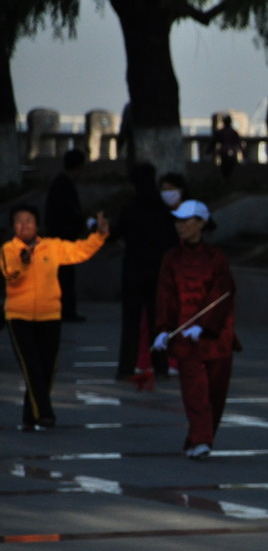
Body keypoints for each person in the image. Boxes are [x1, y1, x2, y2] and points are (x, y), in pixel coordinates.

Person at [2, 204, 109, 430]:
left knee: (47, 366)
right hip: (19, 316)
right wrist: (24, 262)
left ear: (37, 224)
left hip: (49, 314)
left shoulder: (51, 247)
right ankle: (45, 412)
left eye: (29, 220)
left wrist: (99, 235)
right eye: (19, 221)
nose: (24, 225)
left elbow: (80, 250)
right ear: (13, 226)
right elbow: (9, 274)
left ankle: (30, 416)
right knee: (31, 365)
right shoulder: (8, 250)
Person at [153, 200, 238, 459]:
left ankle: (197, 437)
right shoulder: (171, 258)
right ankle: (202, 441)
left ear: (200, 223)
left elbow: (223, 293)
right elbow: (165, 294)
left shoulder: (216, 258)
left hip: (215, 338)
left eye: (185, 221)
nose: (180, 226)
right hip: (185, 339)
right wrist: (163, 328)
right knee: (194, 391)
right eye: (177, 221)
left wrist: (204, 326)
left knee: (215, 393)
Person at [110, 163, 177, 380]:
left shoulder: (130, 208)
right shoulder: (162, 210)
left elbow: (114, 234)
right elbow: (172, 241)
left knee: (131, 321)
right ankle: (161, 365)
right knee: (157, 321)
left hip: (133, 270)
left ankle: (126, 366)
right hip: (157, 272)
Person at [43, 148, 90, 321]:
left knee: (63, 276)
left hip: (59, 238)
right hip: (62, 239)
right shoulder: (64, 185)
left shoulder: (60, 184)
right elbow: (69, 212)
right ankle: (66, 311)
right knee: (65, 276)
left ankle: (63, 310)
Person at [210, 115, 245, 181]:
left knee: (224, 167)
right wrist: (243, 152)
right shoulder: (234, 132)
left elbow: (213, 142)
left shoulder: (221, 132)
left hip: (223, 152)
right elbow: (239, 143)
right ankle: (229, 180)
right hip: (233, 152)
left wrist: (209, 150)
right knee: (231, 168)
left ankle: (226, 180)